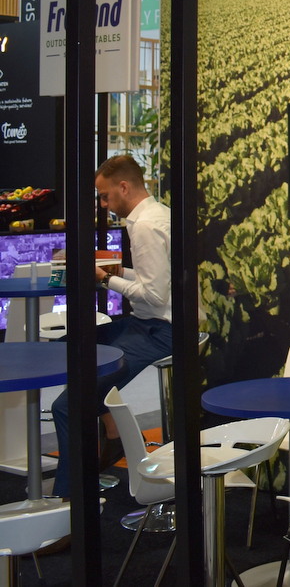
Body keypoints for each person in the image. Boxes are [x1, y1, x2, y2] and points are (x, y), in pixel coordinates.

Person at [50, 153, 173, 498]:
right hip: (148, 323)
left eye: (105, 196)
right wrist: (114, 270)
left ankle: (70, 500)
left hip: (159, 331)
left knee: (66, 406)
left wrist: (104, 278)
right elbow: (156, 281)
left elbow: (154, 296)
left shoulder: (145, 226)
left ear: (124, 187)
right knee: (71, 347)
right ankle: (112, 431)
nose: (103, 204)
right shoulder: (157, 215)